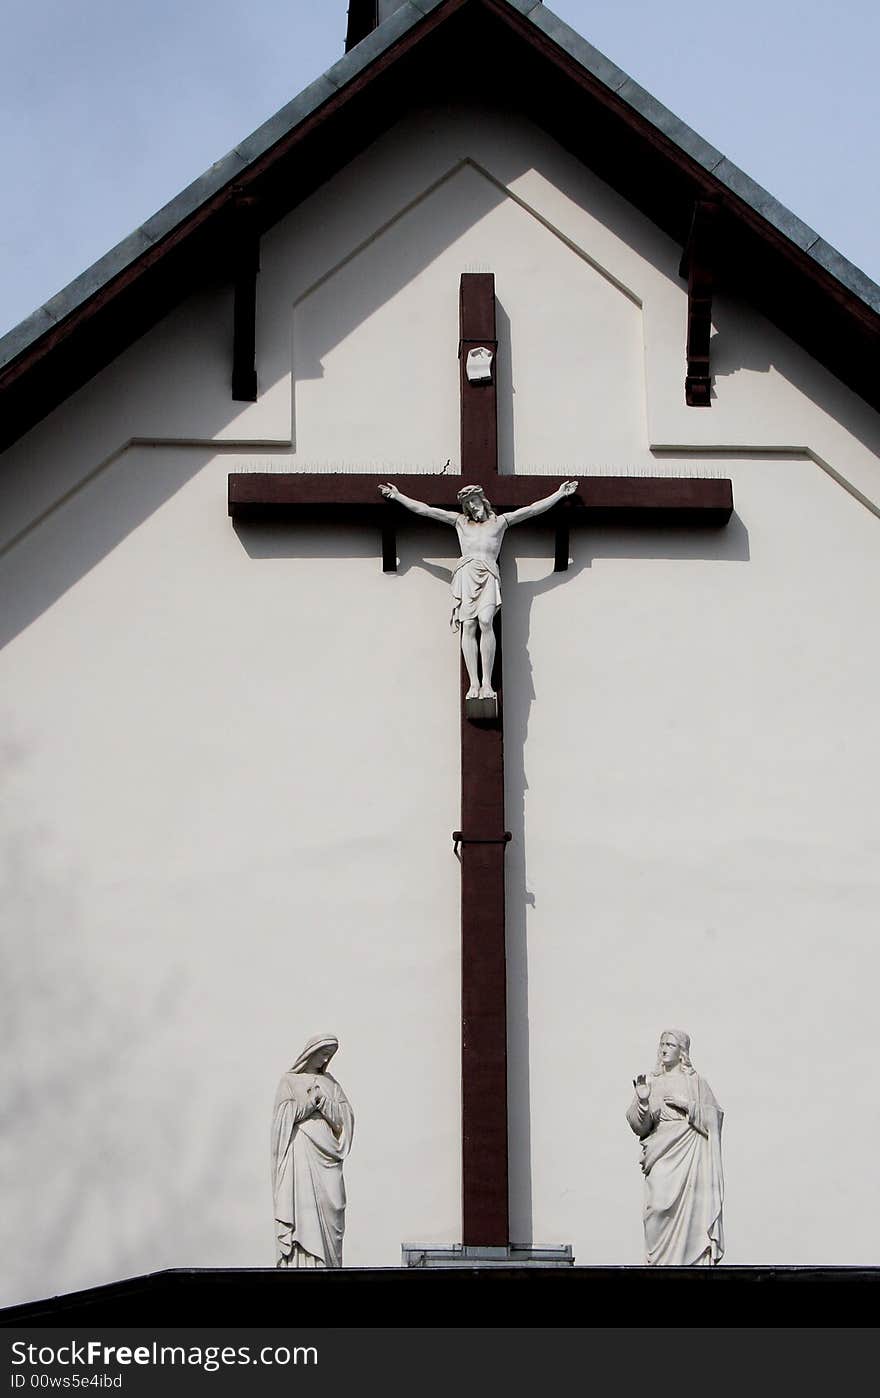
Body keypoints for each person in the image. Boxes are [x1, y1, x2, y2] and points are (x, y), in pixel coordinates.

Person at [379, 479, 577, 699]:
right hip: (467, 573)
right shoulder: (460, 523)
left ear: (482, 500)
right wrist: (398, 496)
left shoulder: (500, 522)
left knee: (485, 621)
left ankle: (487, 683)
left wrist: (559, 494)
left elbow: (531, 510)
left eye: (473, 501)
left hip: (489, 573)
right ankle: (474, 683)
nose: (472, 507)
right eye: (467, 505)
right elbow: (425, 510)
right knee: (469, 625)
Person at [626, 1029, 724, 1266]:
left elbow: (715, 1118)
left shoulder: (697, 1083)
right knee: (657, 1207)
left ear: (682, 1052)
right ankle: (660, 1264)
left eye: (670, 1044)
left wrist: (688, 1107)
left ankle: (689, 1264)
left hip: (689, 1153)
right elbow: (640, 1126)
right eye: (661, 1044)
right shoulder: (651, 1082)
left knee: (693, 1211)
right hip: (661, 1152)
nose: (663, 1048)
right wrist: (642, 1101)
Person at [271, 1034, 354, 1268]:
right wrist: (310, 1104)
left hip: (328, 1156)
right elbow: (283, 1120)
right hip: (302, 1152)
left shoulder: (332, 1084)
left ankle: (329, 1263)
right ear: (310, 1052)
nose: (325, 1059)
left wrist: (324, 1103)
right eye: (323, 1053)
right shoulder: (289, 1081)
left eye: (329, 1055)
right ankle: (301, 1263)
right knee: (303, 1208)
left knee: (334, 1205)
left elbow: (344, 1120)